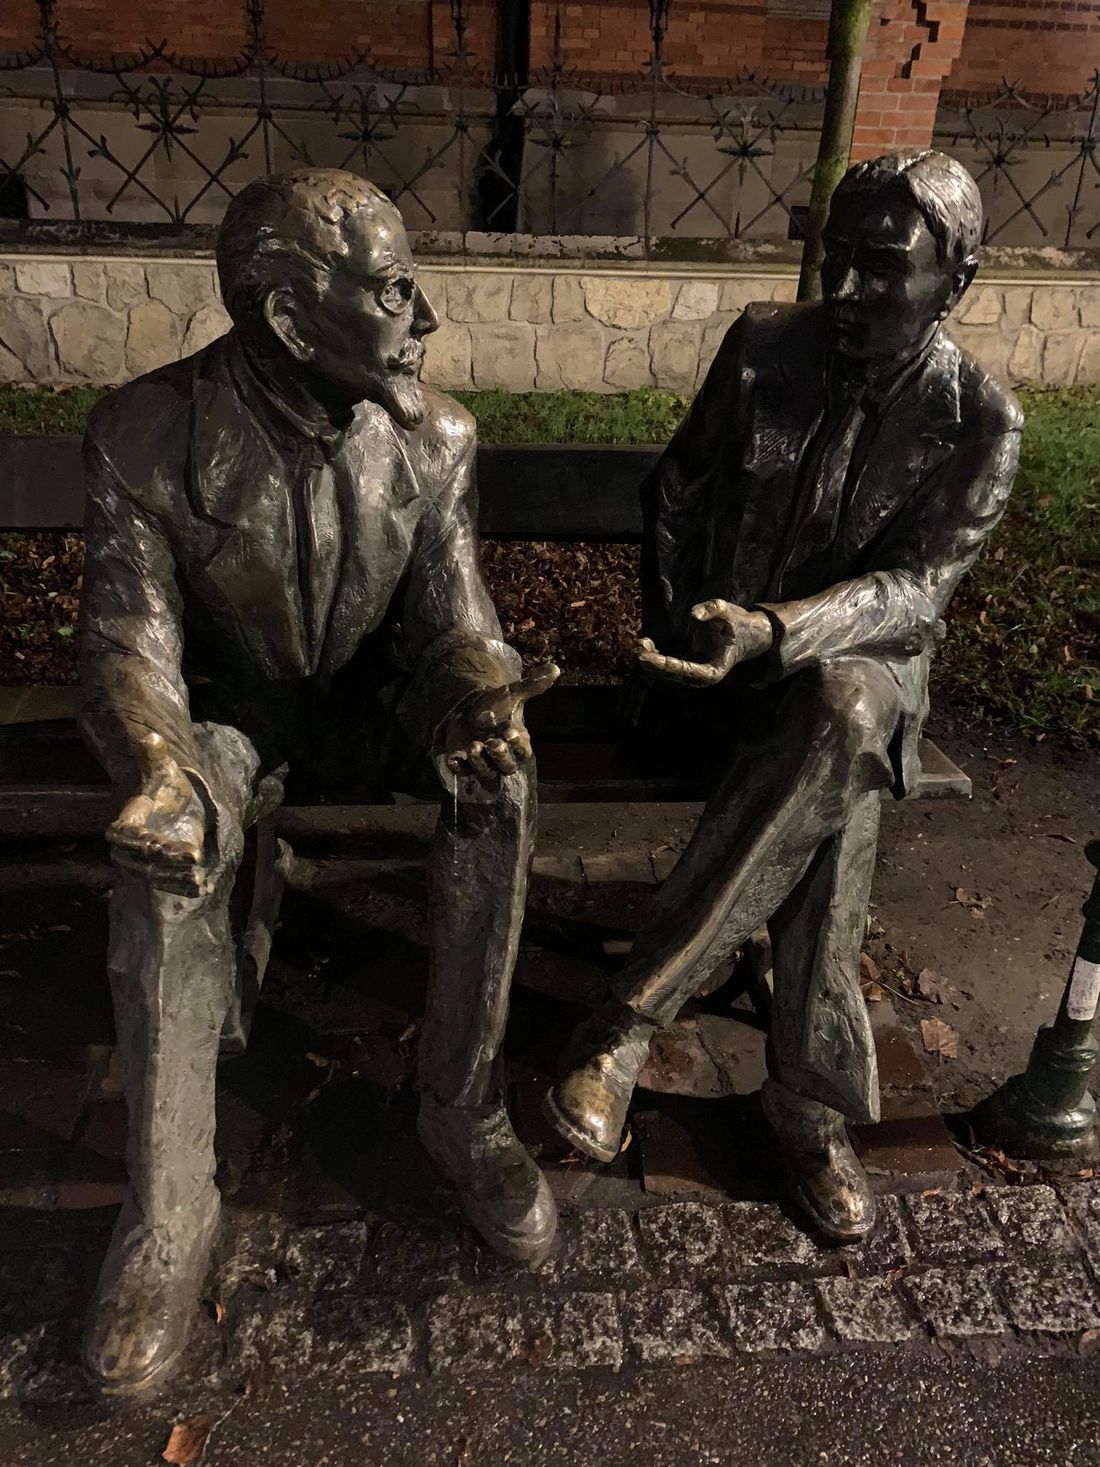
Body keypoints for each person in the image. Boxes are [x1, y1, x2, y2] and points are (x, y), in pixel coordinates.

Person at [79, 169, 557, 1397]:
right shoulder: (144, 435)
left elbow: (456, 622)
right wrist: (157, 766)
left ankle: (462, 1106)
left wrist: (473, 696)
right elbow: (128, 648)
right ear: (290, 318)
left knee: (500, 785)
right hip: (230, 717)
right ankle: (171, 1210)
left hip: (368, 711)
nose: (422, 314)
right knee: (169, 848)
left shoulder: (433, 436)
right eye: (392, 288)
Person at [544, 151, 1022, 1242]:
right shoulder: (765, 348)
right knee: (833, 777)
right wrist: (680, 631)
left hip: (855, 665)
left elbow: (913, 591)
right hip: (712, 669)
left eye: (882, 270)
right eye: (835, 261)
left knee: (845, 714)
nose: (847, 292)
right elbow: (676, 490)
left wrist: (777, 634)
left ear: (956, 280)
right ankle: (805, 1102)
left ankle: (625, 1023)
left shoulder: (979, 419)